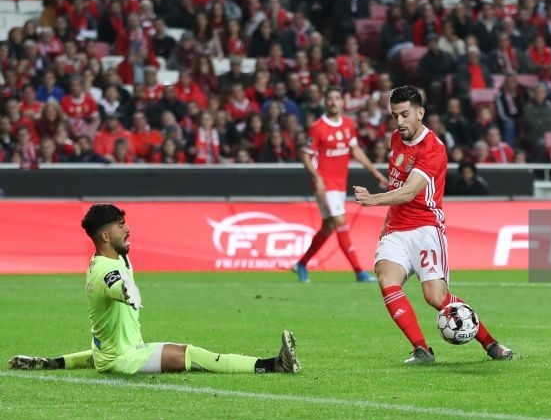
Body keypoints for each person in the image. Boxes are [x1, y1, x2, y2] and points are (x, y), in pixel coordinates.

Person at [8, 204, 300, 375]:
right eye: (122, 226)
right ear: (106, 235)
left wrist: (54, 363)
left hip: (119, 355)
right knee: (192, 355)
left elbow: (101, 352)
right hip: (126, 361)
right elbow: (118, 287)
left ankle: (275, 364)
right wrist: (129, 293)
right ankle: (273, 365)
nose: (128, 229)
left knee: (120, 350)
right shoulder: (104, 271)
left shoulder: (117, 257)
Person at [353, 86, 513, 364]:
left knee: (435, 297)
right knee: (386, 279)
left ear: (420, 113)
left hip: (426, 229)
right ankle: (421, 350)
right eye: (394, 116)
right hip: (396, 229)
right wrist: (387, 222)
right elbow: (397, 184)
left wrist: (372, 200)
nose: (400, 122)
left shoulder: (433, 148)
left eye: (405, 115)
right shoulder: (395, 139)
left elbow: (409, 191)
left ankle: (491, 344)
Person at [294, 87, 388, 283]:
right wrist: (316, 177)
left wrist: (376, 172)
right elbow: (305, 155)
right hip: (324, 184)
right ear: (325, 102)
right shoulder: (318, 127)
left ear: (342, 102)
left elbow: (355, 150)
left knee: (328, 227)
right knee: (340, 222)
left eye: (337, 98)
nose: (334, 102)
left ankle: (302, 264)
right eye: (330, 99)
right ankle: (359, 272)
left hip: (339, 184)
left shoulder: (347, 124)